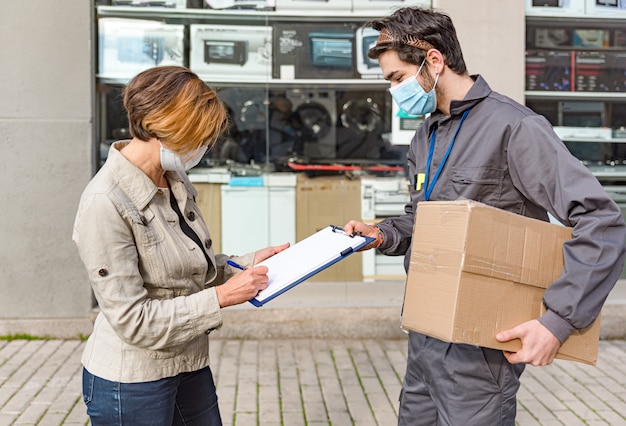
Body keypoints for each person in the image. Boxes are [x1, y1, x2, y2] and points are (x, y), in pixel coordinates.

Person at [343, 7, 626, 425]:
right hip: (425, 335)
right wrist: (382, 234)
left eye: (397, 78)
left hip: (480, 348)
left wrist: (558, 320)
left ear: (433, 60)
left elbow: (602, 221)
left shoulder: (515, 128)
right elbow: (423, 220)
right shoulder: (426, 135)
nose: (393, 92)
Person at [72, 65, 289, 425]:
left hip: (188, 363)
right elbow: (133, 321)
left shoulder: (172, 177)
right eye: (199, 136)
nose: (204, 147)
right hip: (133, 382)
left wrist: (246, 264)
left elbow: (183, 266)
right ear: (164, 127)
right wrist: (222, 297)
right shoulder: (105, 202)